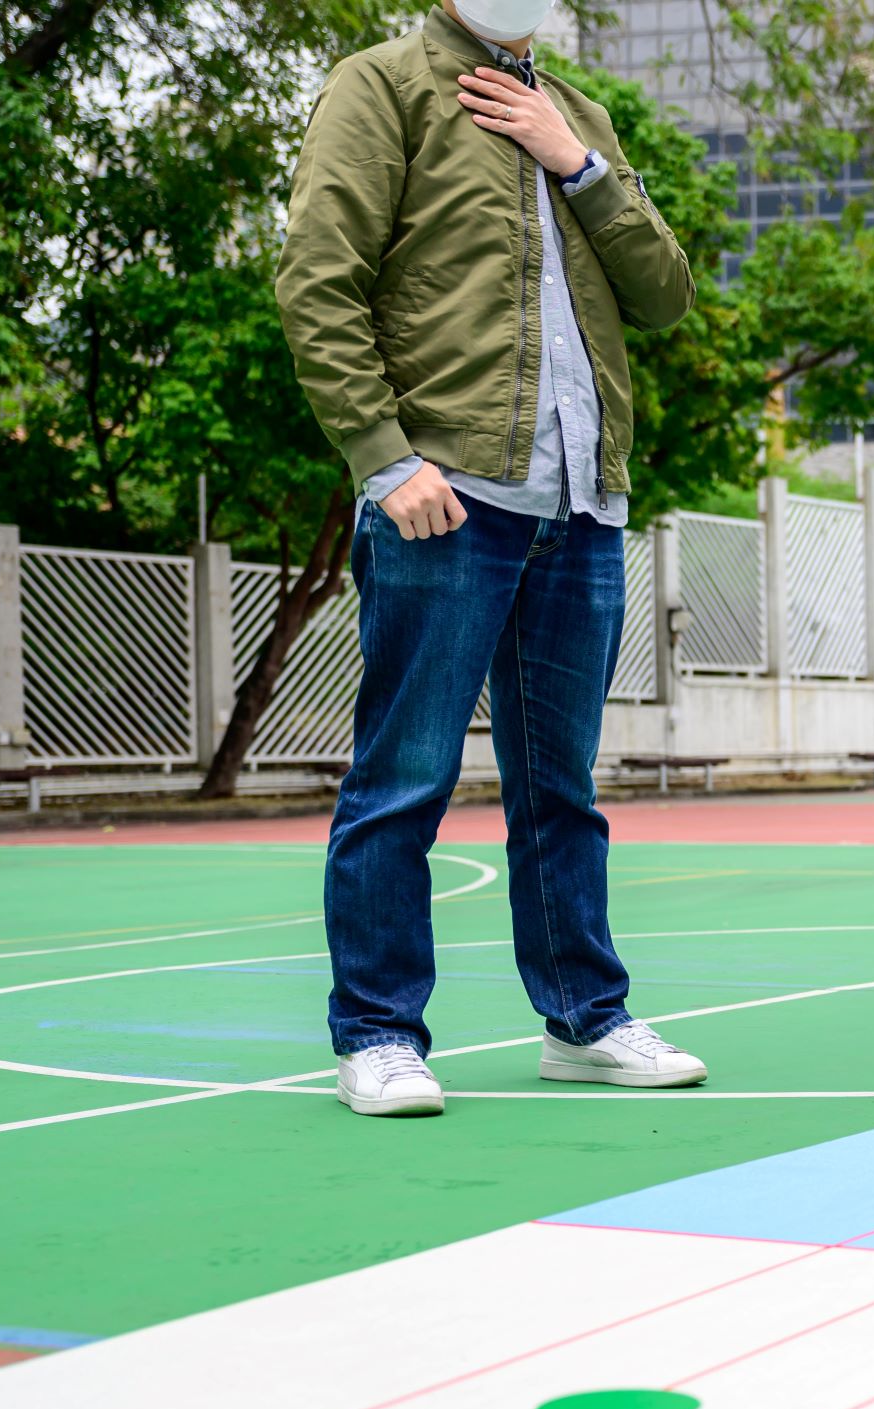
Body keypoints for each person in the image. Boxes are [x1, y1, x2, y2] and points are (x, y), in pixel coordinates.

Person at [277, 0, 700, 1117]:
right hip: (447, 497)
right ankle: (376, 1034)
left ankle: (585, 1019)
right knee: (403, 778)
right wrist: (383, 458)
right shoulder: (383, 85)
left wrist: (577, 163)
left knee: (562, 790)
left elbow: (665, 294)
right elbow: (317, 279)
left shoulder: (581, 114)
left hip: (580, 501)